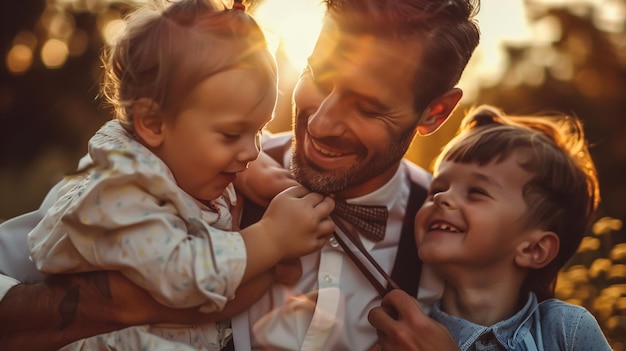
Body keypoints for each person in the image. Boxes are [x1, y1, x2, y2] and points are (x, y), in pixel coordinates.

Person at [0, 0, 480, 350]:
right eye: (319, 75)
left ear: (435, 112)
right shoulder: (188, 168)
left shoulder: (455, 236)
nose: (322, 122)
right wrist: (125, 302)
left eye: (369, 107)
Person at [12, 0, 336, 350]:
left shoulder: (180, 171)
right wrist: (271, 239)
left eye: (257, 131)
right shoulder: (120, 195)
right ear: (152, 123)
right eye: (232, 134)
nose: (253, 152)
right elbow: (184, 275)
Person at [368, 105, 611, 350]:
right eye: (438, 188)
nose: (442, 198)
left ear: (534, 249)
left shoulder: (567, 331)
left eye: (476, 192)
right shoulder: (402, 332)